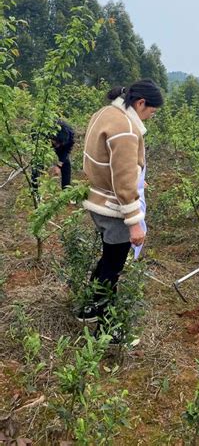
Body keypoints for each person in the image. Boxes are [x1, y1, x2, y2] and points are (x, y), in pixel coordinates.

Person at [79, 79, 163, 333]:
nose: (150, 117)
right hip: (115, 208)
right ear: (140, 103)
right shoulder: (126, 128)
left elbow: (108, 161)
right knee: (113, 267)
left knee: (107, 258)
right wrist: (135, 222)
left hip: (96, 199)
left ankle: (89, 307)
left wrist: (136, 177)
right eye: (151, 112)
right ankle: (107, 329)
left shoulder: (106, 113)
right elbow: (124, 182)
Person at [32, 120, 75, 191]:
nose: (57, 146)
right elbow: (35, 141)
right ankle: (35, 191)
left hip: (58, 141)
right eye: (57, 143)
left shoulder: (69, 135)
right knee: (38, 164)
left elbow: (67, 150)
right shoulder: (43, 131)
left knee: (66, 163)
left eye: (60, 144)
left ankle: (66, 191)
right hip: (43, 142)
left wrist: (59, 165)